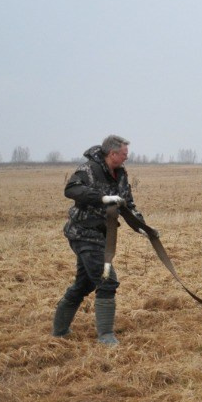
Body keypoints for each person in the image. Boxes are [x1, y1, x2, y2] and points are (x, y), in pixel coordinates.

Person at [52, 135, 143, 346]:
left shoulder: (120, 174)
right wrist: (101, 198)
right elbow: (71, 190)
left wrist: (143, 228)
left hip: (101, 236)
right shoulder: (89, 169)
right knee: (107, 280)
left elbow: (128, 204)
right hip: (82, 234)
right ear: (112, 153)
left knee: (84, 284)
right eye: (124, 155)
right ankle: (105, 337)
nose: (126, 159)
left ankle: (59, 330)